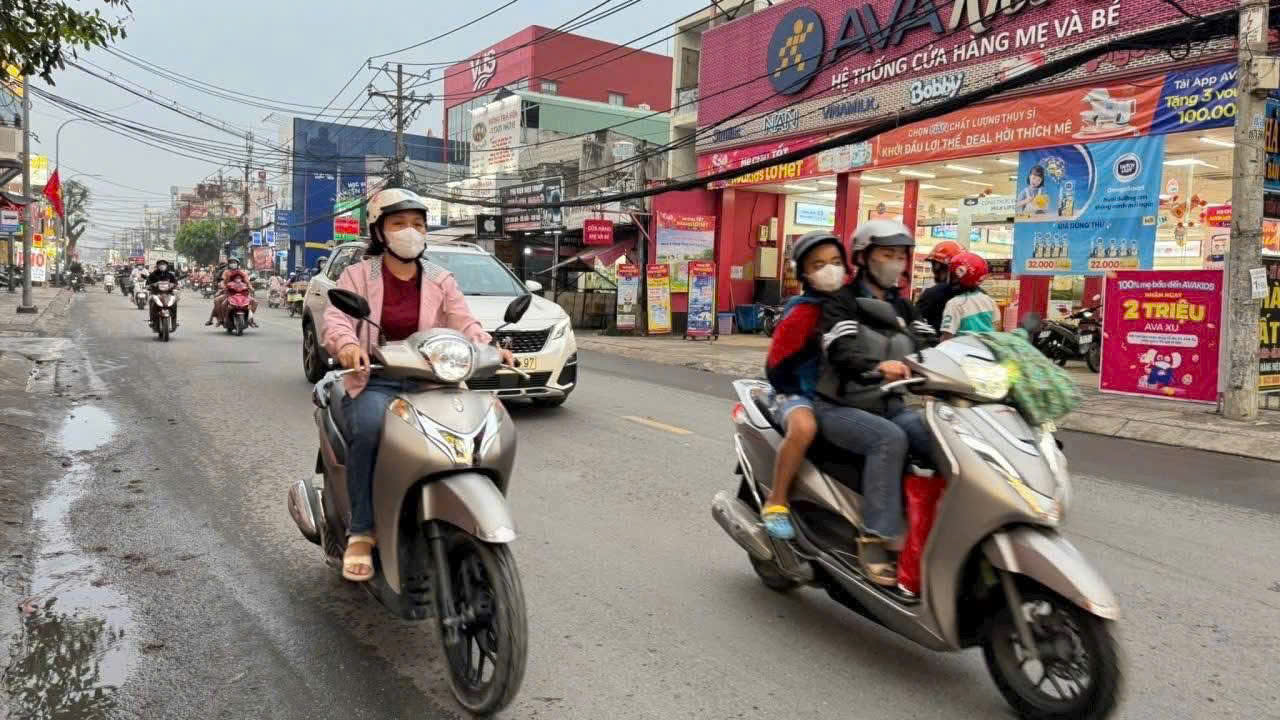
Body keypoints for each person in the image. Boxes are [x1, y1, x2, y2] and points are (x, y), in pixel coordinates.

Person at [322, 188, 516, 583]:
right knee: (368, 429)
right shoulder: (357, 275)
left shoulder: (441, 279)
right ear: (379, 231)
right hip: (377, 379)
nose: (410, 231)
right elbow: (336, 319)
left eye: (418, 224)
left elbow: (464, 321)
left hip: (432, 381)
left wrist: (491, 347)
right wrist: (347, 346)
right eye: (399, 223)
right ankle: (362, 531)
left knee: (481, 428)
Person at [815, 219, 934, 590]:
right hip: (838, 405)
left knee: (937, 436)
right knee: (889, 439)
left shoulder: (904, 307)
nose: (895, 262)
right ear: (863, 257)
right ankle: (876, 537)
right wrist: (877, 366)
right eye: (887, 254)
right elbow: (841, 349)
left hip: (890, 404)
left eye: (900, 255)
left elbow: (933, 345)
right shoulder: (842, 302)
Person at [760, 231, 848, 540]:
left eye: (836, 262)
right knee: (804, 428)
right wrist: (802, 389)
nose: (830, 270)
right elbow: (776, 366)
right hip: (796, 392)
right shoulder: (802, 312)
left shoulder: (853, 304)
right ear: (805, 273)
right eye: (819, 264)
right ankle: (776, 501)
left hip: (840, 394)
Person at [939, 252, 998, 340]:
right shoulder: (989, 300)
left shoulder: (954, 304)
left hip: (962, 347)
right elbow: (996, 325)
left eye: (952, 275)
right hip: (986, 346)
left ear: (958, 276)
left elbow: (947, 335)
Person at [914, 240, 963, 333]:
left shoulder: (932, 294)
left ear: (939, 267)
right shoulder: (980, 296)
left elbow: (915, 324)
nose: (933, 270)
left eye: (934, 265)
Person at [205, 258, 258, 327]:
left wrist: (251, 288)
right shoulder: (226, 272)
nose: (233, 264)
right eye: (231, 262)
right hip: (229, 293)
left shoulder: (242, 272)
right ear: (229, 264)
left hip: (242, 294)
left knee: (255, 302)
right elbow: (223, 281)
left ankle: (250, 319)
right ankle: (221, 319)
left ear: (237, 264)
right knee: (217, 301)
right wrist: (223, 287)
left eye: (234, 262)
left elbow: (247, 282)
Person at [144, 259, 180, 329]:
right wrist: (150, 286)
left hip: (168, 294)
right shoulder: (153, 274)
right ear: (158, 266)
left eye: (164, 264)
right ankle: (152, 320)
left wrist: (175, 285)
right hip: (156, 293)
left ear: (166, 266)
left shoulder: (170, 275)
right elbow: (147, 283)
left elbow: (175, 283)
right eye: (160, 264)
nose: (162, 266)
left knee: (174, 302)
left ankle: (174, 321)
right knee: (151, 300)